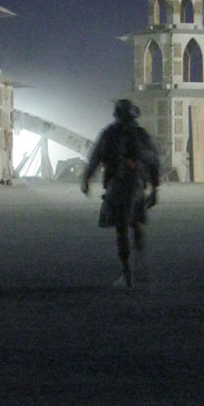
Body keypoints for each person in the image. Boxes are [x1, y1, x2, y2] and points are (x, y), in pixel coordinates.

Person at [82, 99, 160, 289]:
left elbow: (96, 157)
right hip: (138, 186)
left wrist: (86, 179)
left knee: (121, 228)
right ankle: (141, 267)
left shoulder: (109, 134)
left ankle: (127, 275)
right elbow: (153, 162)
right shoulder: (141, 135)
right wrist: (155, 189)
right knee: (135, 223)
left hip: (116, 185)